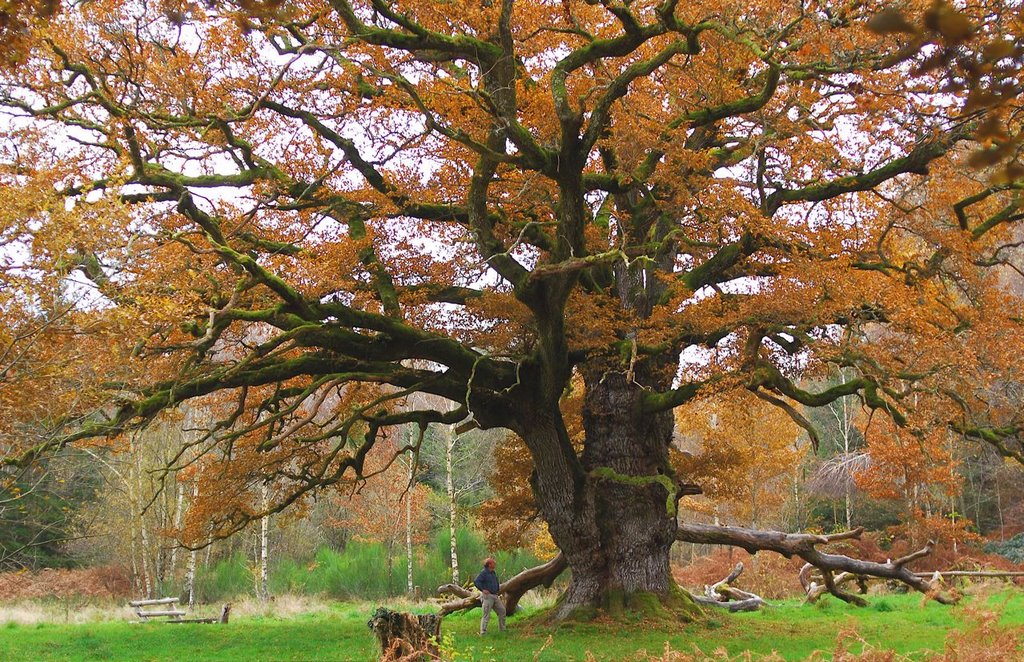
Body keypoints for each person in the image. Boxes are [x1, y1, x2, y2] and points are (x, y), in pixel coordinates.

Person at [473, 556, 506, 634]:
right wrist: (483, 589)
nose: (495, 563)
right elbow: (476, 581)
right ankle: (483, 632)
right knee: (486, 614)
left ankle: (503, 629)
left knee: (502, 611)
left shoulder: (493, 573)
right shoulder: (484, 573)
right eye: (493, 562)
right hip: (488, 597)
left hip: (495, 596)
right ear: (489, 564)